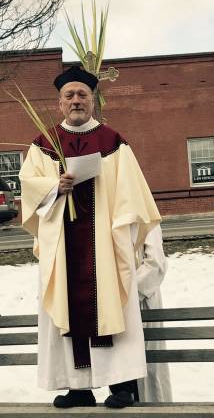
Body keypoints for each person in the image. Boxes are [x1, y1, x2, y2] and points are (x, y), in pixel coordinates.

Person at [19, 66, 161, 408]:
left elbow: (132, 192)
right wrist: (56, 187)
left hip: (105, 245)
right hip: (63, 248)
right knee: (68, 308)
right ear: (59, 103)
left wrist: (124, 233)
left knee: (112, 304)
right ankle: (78, 387)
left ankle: (121, 386)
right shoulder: (43, 144)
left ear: (93, 100)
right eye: (69, 95)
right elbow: (28, 188)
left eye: (82, 94)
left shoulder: (113, 142)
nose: (76, 101)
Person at [108, 224, 172, 404]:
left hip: (141, 300)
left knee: (149, 371)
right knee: (120, 359)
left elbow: (155, 264)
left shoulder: (146, 216)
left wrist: (126, 293)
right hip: (116, 304)